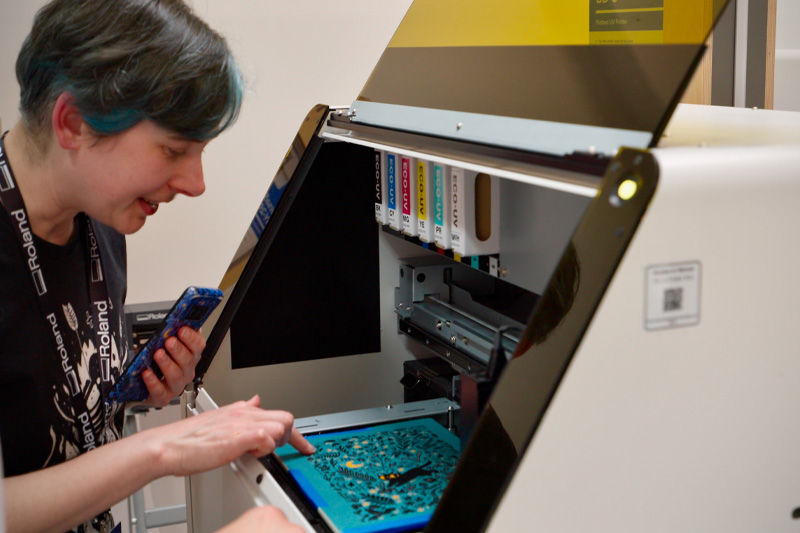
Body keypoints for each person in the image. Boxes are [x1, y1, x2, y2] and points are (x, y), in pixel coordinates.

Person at [0, 0, 313, 531]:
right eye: (173, 151)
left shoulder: (98, 218)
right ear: (73, 123)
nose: (196, 184)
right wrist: (163, 447)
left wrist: (131, 387)